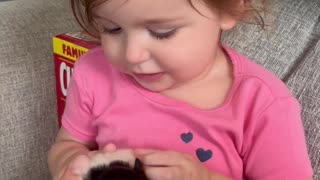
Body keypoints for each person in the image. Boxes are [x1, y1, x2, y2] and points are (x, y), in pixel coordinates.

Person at [48, 0, 314, 179]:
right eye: (112, 29)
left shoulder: (261, 103)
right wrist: (69, 165)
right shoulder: (93, 72)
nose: (132, 54)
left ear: (229, 7)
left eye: (162, 32)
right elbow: (68, 144)